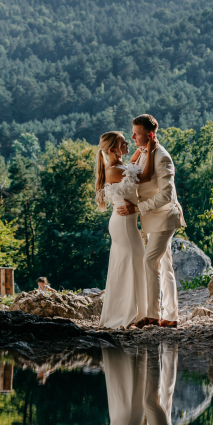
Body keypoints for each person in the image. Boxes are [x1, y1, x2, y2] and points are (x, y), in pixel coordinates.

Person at [117, 114, 185, 328]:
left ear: (150, 134)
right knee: (165, 266)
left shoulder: (162, 157)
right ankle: (171, 316)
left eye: (136, 134)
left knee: (149, 261)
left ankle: (153, 316)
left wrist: (137, 208)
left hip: (165, 217)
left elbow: (167, 195)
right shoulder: (143, 153)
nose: (132, 137)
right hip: (152, 219)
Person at [95, 130, 155, 328]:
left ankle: (133, 312)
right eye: (123, 143)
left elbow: (131, 172)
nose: (128, 144)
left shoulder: (117, 167)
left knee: (130, 264)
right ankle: (132, 315)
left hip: (124, 222)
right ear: (113, 150)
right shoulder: (114, 170)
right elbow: (145, 176)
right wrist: (151, 151)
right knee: (135, 263)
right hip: (124, 225)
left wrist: (136, 157)